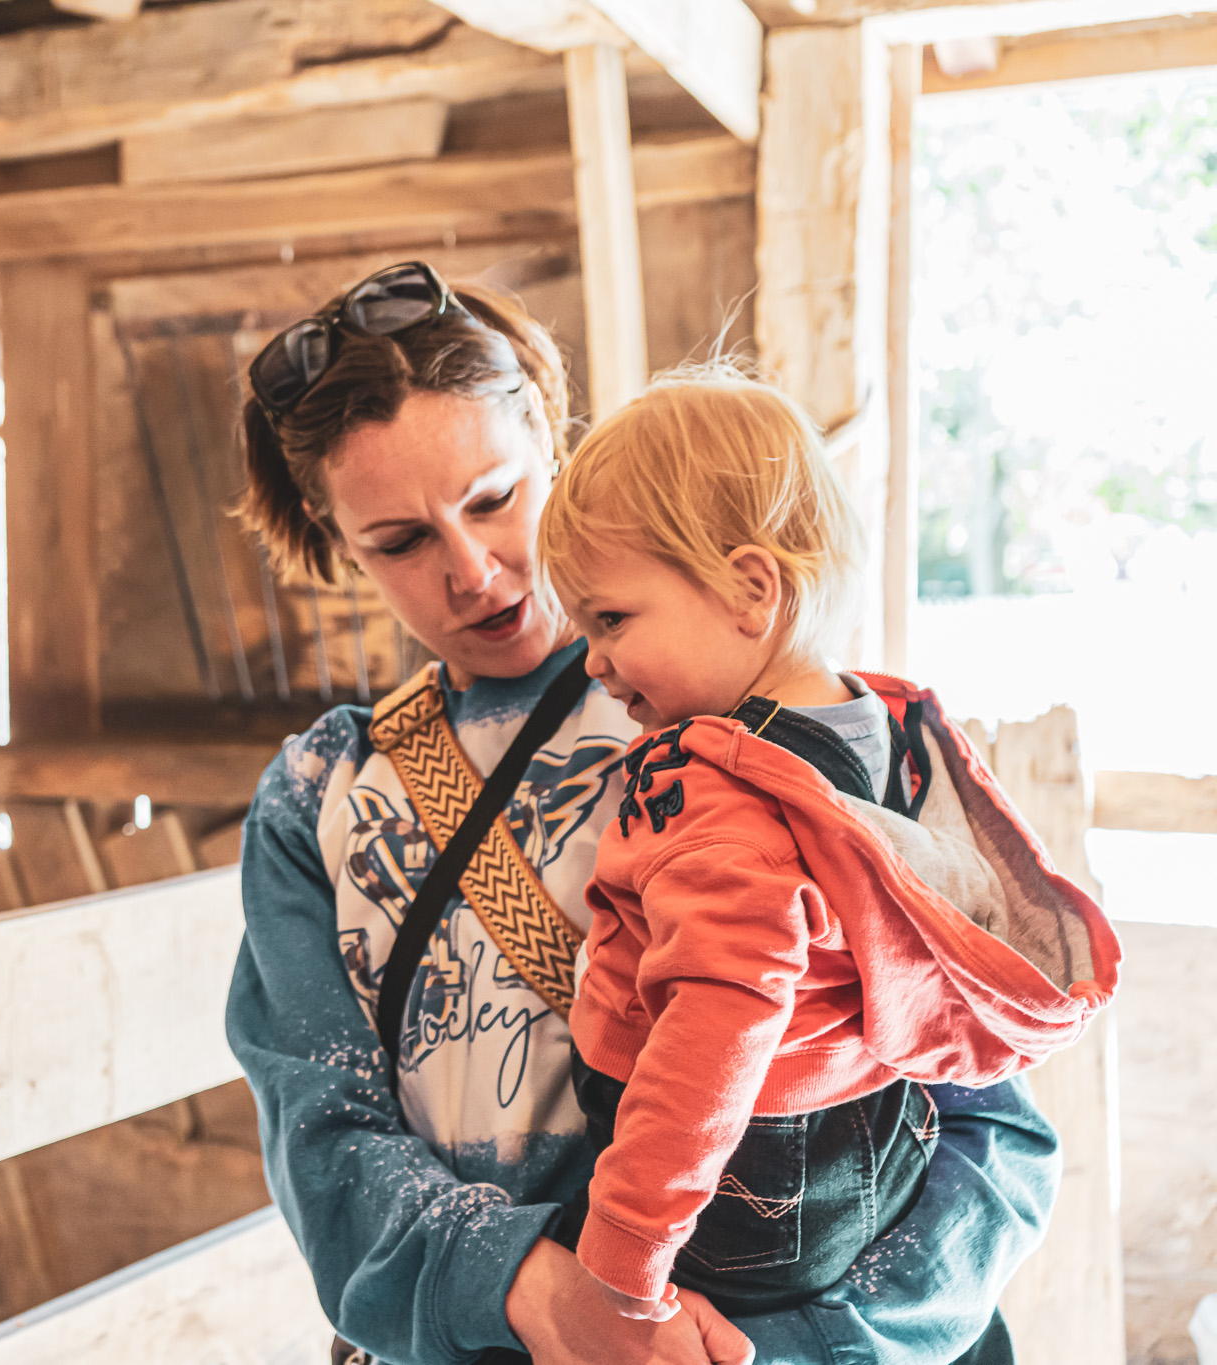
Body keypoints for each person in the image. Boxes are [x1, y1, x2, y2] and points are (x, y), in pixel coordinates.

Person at [224, 260, 1058, 1365]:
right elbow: (322, 1142)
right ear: (334, 545)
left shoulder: (777, 724)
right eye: (400, 542)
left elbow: (985, 1125)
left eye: (492, 498)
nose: (471, 571)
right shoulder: (315, 799)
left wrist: (800, 1346)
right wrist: (547, 1301)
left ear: (550, 448)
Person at [532, 371, 1119, 1324]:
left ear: (750, 589)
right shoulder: (884, 724)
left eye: (612, 620)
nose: (592, 660)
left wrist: (619, 1261)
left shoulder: (726, 802)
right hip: (879, 1132)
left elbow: (709, 1038)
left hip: (741, 1188)